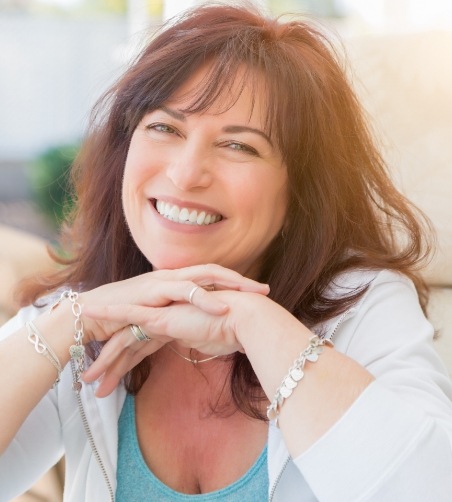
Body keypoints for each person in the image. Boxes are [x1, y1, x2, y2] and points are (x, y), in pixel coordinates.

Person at [1, 3, 451, 501]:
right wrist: (69, 321)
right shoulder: (87, 312)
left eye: (239, 146)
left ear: (300, 190)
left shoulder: (364, 305)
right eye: (165, 128)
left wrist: (252, 324)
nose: (186, 173)